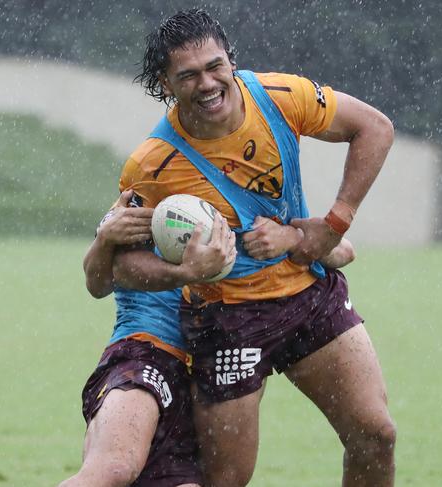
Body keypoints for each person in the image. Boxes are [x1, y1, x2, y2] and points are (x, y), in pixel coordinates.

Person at [111, 9, 397, 487]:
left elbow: (376, 128)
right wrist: (186, 274)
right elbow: (123, 267)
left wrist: (334, 223)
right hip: (226, 322)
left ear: (231, 61)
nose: (206, 83)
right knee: (227, 480)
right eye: (188, 75)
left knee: (375, 434)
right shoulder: (152, 165)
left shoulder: (282, 97)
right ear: (165, 84)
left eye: (214, 66)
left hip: (308, 296)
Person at [60, 191, 357, 487]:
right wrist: (105, 239)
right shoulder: (144, 193)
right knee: (114, 467)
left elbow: (344, 250)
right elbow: (96, 283)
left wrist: (292, 238)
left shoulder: (247, 193)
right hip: (145, 354)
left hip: (213, 375)